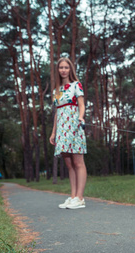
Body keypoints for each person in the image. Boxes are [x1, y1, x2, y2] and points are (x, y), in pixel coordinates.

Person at [50, 57, 87, 209]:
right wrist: (53, 133)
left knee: (78, 162)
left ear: (70, 69)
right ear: (58, 70)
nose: (63, 70)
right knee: (69, 164)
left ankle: (80, 198)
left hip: (74, 125)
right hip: (61, 129)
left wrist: (80, 117)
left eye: (66, 67)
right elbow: (57, 113)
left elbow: (82, 105)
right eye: (61, 68)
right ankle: (72, 197)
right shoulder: (56, 91)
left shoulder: (76, 85)